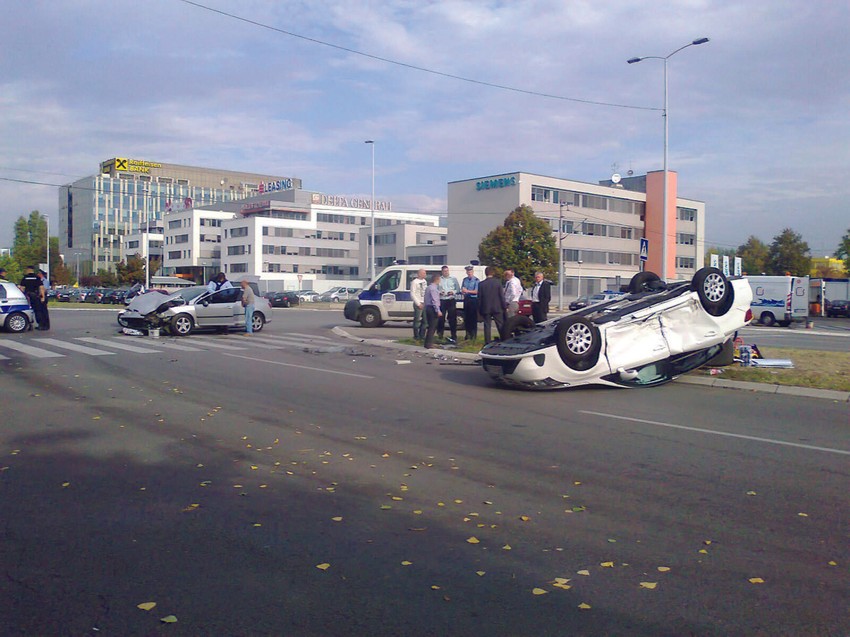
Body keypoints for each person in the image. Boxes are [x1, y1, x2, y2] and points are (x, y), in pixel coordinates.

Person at [478, 266, 507, 344]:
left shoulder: (481, 284)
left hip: (486, 307)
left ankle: (487, 341)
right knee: (500, 325)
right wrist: (504, 306)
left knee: (487, 326)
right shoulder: (498, 282)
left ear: (485, 273)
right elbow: (501, 295)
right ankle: (503, 339)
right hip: (497, 307)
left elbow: (479, 298)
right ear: (493, 273)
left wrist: (480, 309)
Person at [437, 265, 460, 343]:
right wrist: (440, 292)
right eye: (444, 271)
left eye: (447, 271)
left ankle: (454, 335)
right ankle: (440, 335)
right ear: (442, 272)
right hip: (442, 300)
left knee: (452, 319)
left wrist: (452, 292)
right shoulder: (439, 279)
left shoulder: (453, 279)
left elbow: (457, 289)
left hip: (451, 300)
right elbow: (435, 289)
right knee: (441, 318)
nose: (446, 272)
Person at [19, 265, 46, 330]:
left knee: (28, 310)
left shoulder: (25, 278)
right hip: (36, 296)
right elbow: (41, 288)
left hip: (28, 296)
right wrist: (43, 297)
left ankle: (30, 324)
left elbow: (22, 288)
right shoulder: (37, 277)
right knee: (37, 311)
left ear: (28, 269)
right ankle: (40, 325)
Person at [423, 273, 443, 349]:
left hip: (428, 307)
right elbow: (434, 301)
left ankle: (427, 342)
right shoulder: (434, 289)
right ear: (437, 279)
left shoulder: (429, 287)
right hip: (432, 309)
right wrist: (438, 311)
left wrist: (439, 293)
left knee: (430, 326)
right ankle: (429, 344)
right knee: (432, 327)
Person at [461, 265, 480, 340]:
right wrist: (463, 291)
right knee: (466, 318)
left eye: (470, 271)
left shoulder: (476, 280)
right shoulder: (465, 280)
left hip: (473, 300)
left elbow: (476, 291)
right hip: (466, 299)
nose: (469, 273)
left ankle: (473, 335)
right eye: (468, 271)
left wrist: (467, 291)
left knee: (473, 318)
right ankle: (467, 334)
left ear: (472, 271)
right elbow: (462, 289)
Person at [410, 268, 428, 341]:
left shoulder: (424, 281)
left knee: (425, 321)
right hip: (418, 303)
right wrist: (418, 303)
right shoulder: (414, 282)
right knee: (417, 320)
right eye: (424, 273)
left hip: (425, 302)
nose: (425, 275)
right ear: (419, 274)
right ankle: (416, 336)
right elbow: (412, 293)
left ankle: (422, 335)